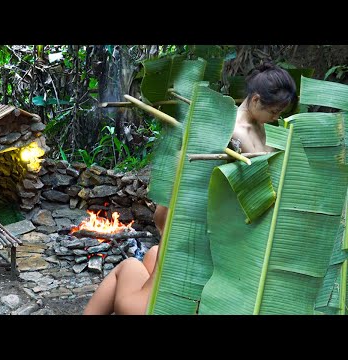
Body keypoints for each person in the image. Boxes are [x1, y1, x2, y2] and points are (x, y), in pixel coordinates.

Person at [83, 61, 297, 315]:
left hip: (206, 257)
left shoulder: (255, 130)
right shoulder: (232, 134)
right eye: (274, 111)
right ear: (255, 100)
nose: (277, 117)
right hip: (209, 251)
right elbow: (167, 210)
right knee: (142, 260)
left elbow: (163, 217)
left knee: (143, 258)